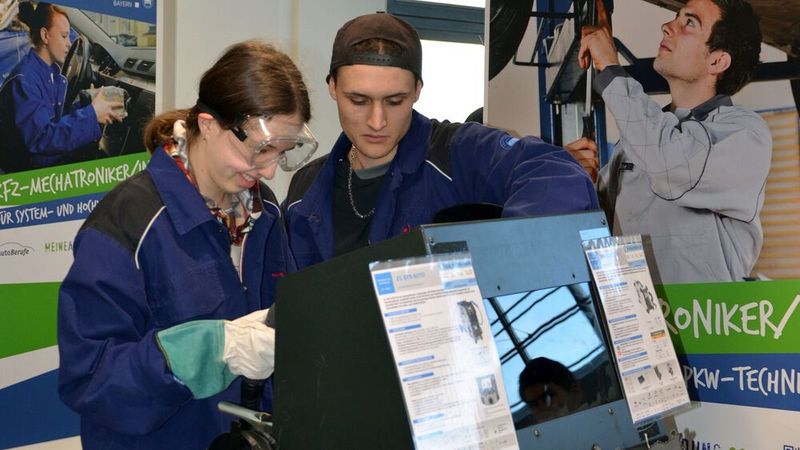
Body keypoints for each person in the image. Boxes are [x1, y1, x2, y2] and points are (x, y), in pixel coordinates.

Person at [57, 40, 318, 448]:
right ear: (209, 124)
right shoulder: (128, 222)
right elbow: (91, 380)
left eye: (281, 153)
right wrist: (205, 352)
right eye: (260, 149)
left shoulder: (263, 211)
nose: (268, 169)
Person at [284, 12, 599, 269]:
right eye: (358, 100)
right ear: (333, 87)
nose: (377, 121)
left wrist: (509, 260)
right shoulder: (304, 189)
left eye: (395, 101)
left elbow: (554, 171)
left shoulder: (459, 152)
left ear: (418, 91)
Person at [566, 0, 771, 283]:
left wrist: (611, 70)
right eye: (676, 17)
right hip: (637, 318)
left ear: (717, 61)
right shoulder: (636, 142)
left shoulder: (745, 134)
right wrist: (578, 179)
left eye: (689, 22)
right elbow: (599, 230)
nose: (667, 26)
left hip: (703, 321)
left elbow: (669, 164)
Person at [0, 2, 121, 173]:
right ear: (45, 35)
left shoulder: (48, 71)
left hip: (38, 160)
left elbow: (53, 119)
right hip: (27, 171)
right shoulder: (25, 81)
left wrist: (87, 103)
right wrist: (92, 115)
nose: (69, 43)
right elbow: (41, 139)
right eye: (64, 36)